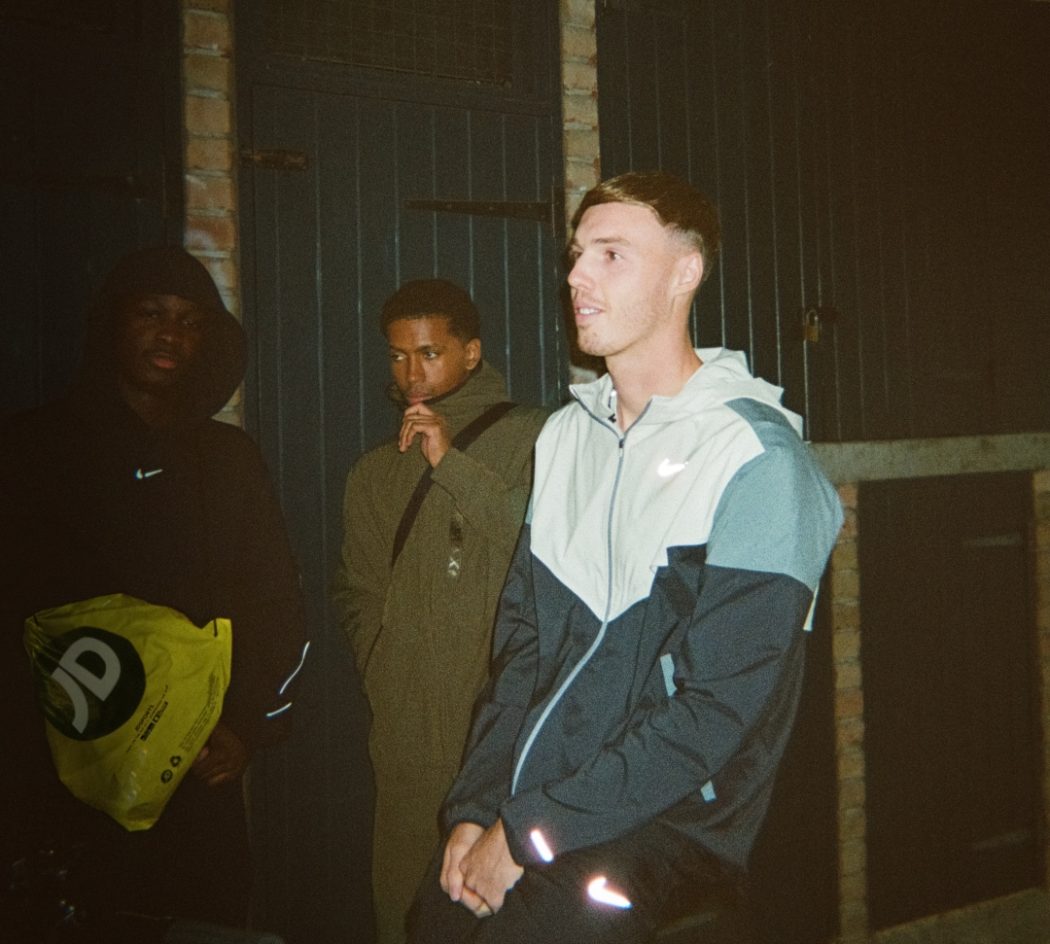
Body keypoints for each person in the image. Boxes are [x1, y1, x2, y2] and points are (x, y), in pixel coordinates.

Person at [406, 171, 844, 944]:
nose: (577, 276)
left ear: (684, 273)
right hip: (541, 799)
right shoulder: (564, 439)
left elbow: (716, 713)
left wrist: (530, 831)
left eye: (612, 254)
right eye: (578, 255)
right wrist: (475, 808)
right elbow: (523, 650)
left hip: (669, 829)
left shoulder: (758, 462)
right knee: (434, 921)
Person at [0, 246, 309, 940]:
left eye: (189, 321)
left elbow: (275, 603)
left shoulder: (228, 461)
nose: (170, 335)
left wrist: (246, 725)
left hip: (193, 773)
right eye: (150, 314)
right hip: (62, 782)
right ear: (114, 324)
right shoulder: (32, 449)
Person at [332, 278, 548, 944]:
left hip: (504, 734)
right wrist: (384, 669)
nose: (411, 374)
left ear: (471, 352)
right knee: (403, 909)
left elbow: (542, 551)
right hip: (407, 735)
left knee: (504, 915)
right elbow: (357, 590)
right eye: (398, 356)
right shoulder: (374, 471)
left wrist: (450, 463)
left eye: (429, 353)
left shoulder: (539, 438)